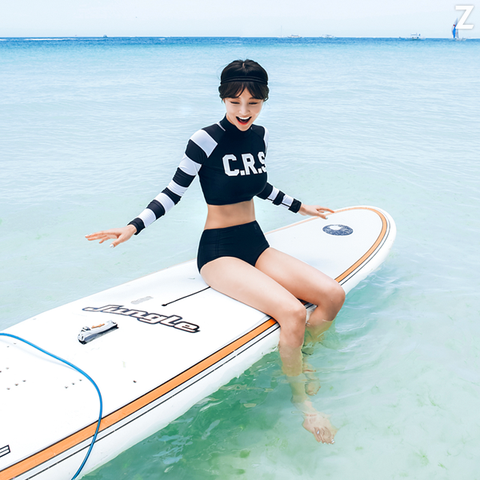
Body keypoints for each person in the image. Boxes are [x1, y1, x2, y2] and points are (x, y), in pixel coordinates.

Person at [86, 59, 345, 444]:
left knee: (332, 295)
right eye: (235, 102)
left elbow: (257, 183)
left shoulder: (260, 136)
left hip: (255, 241)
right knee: (292, 312)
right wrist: (133, 226)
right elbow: (174, 191)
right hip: (219, 250)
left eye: (253, 103)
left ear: (264, 101)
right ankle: (303, 404)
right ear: (223, 99)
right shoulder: (204, 139)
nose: (244, 111)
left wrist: (300, 206)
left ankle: (301, 358)